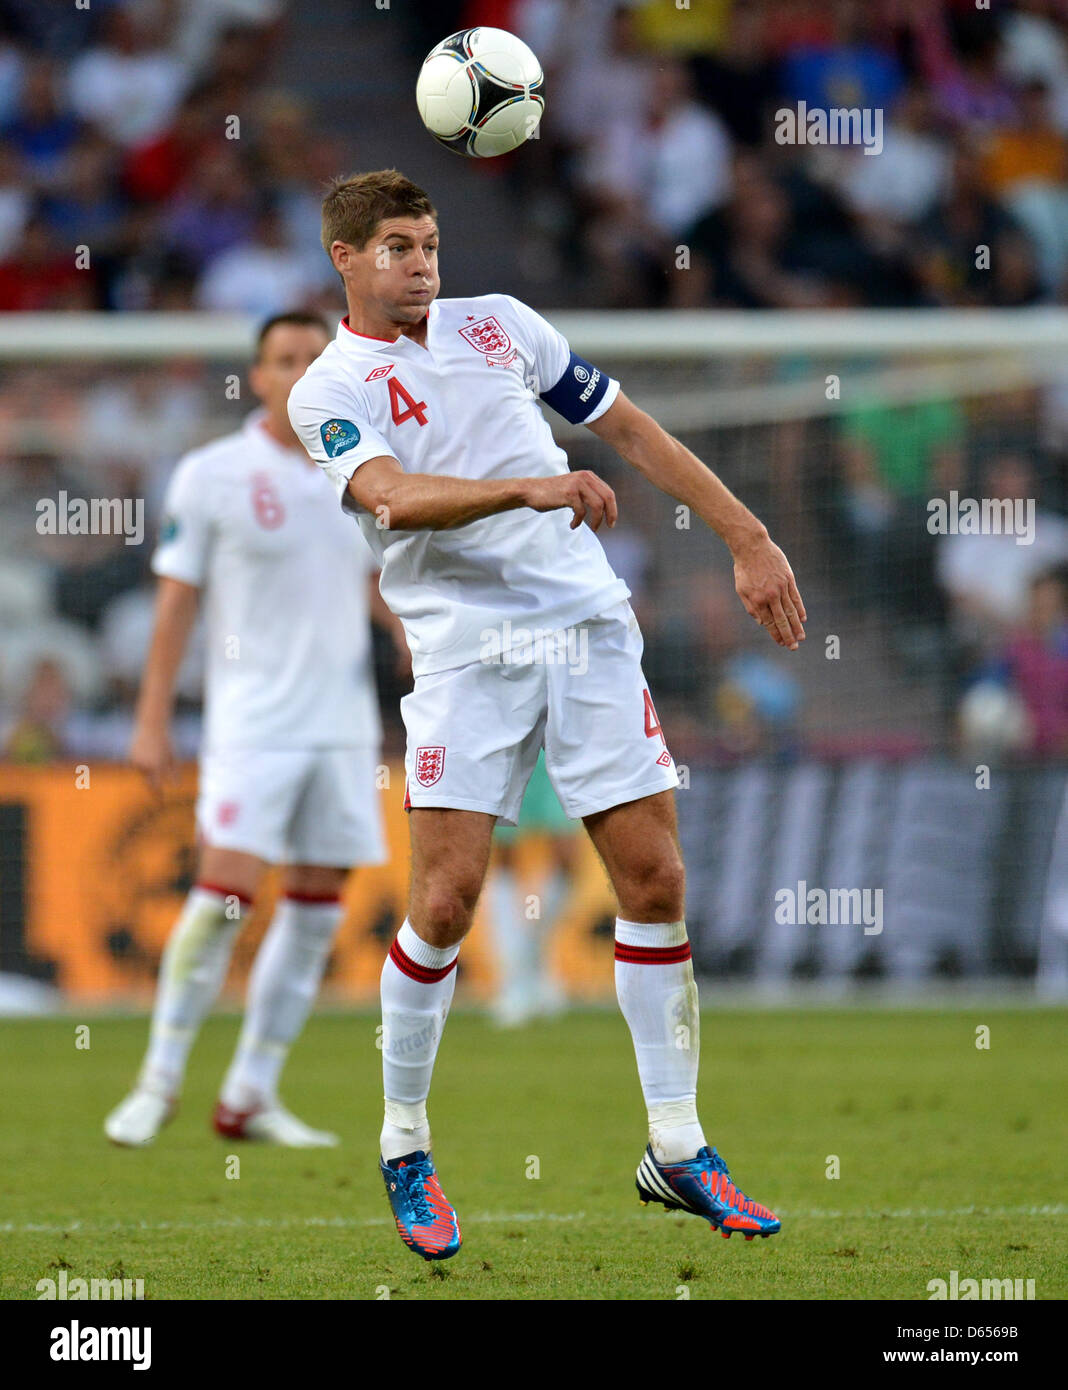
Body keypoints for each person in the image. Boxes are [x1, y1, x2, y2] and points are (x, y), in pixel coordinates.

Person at [288, 170, 806, 1259]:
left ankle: (676, 1142)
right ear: (345, 257)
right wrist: (525, 489)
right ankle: (403, 1142)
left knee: (657, 879)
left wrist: (747, 534)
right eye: (396, 247)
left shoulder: (503, 326)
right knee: (444, 898)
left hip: (585, 626)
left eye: (429, 243)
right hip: (466, 651)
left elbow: (633, 431)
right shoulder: (327, 388)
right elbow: (389, 496)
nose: (422, 263)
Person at [105, 312, 394, 1149]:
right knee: (221, 898)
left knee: (313, 913)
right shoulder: (211, 474)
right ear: (258, 376)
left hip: (341, 729)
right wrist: (153, 718)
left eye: (316, 358)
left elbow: (368, 575)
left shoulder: (356, 467)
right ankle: (158, 1080)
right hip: (252, 728)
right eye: (285, 359)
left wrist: (407, 631)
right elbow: (176, 604)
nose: (302, 371)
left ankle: (249, 1094)